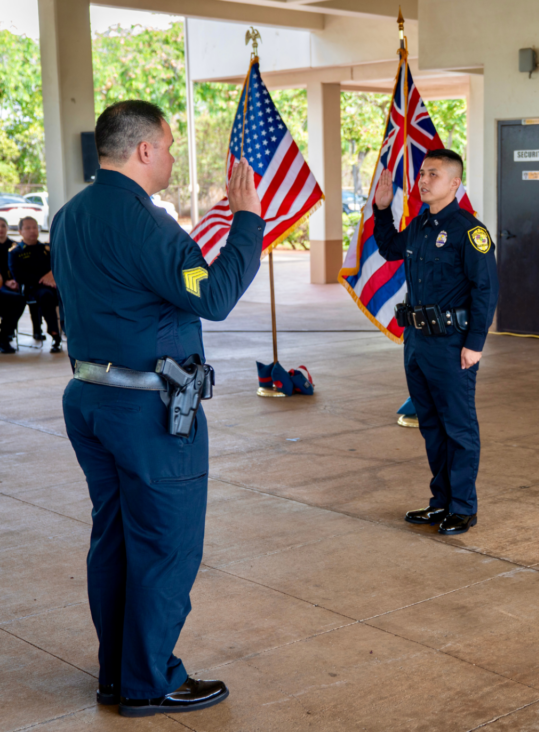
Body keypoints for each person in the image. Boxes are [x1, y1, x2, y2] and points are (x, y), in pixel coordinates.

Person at [50, 100, 264, 716]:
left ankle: (117, 673)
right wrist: (246, 221)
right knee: (166, 547)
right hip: (149, 412)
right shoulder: (147, 225)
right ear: (144, 150)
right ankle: (149, 681)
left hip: (90, 398)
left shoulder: (70, 215)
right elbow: (216, 297)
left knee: (114, 541)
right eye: (168, 145)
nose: (171, 156)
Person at [373, 150, 498, 536]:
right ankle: (440, 502)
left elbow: (486, 290)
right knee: (430, 426)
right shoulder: (420, 225)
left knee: (458, 427)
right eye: (423, 173)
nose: (423, 180)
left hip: (451, 342)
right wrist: (381, 210)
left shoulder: (469, 231)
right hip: (417, 342)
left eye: (434, 174)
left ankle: (462, 507)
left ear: (454, 183)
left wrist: (474, 344)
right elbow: (389, 248)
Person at [8, 216, 61, 352]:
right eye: (28, 228)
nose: (33, 230)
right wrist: (43, 279)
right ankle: (55, 335)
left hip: (53, 285)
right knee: (46, 295)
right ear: (20, 231)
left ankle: (69, 329)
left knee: (68, 293)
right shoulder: (16, 252)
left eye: (35, 227)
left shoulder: (47, 249)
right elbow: (18, 276)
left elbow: (59, 265)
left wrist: (51, 275)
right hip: (32, 288)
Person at [0, 218, 26, 353]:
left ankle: (5, 335)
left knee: (19, 300)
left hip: (13, 283)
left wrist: (15, 280)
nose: (1, 229)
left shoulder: (14, 246)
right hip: (1, 285)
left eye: (3, 226)